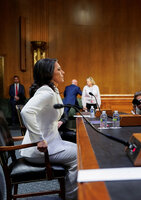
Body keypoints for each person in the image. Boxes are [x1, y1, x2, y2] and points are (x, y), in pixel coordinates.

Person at [20, 58, 77, 199]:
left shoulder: (52, 90)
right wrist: (39, 139)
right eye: (59, 69)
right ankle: (71, 196)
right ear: (48, 73)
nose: (63, 72)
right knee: (81, 156)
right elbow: (26, 112)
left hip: (51, 143)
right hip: (39, 150)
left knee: (80, 147)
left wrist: (54, 123)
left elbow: (44, 115)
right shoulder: (47, 92)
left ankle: (67, 191)